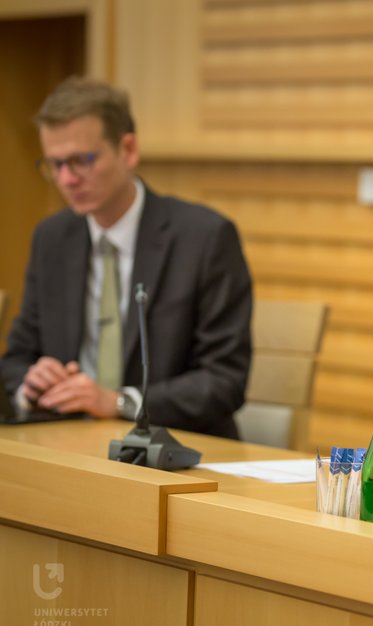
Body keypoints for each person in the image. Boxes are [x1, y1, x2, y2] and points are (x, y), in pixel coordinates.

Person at [1, 76, 252, 438]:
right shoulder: (52, 238)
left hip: (171, 447)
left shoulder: (204, 238)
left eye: (82, 160)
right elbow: (16, 359)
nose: (67, 179)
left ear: (128, 150)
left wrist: (119, 402)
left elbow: (224, 380)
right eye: (56, 165)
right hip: (67, 441)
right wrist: (32, 381)